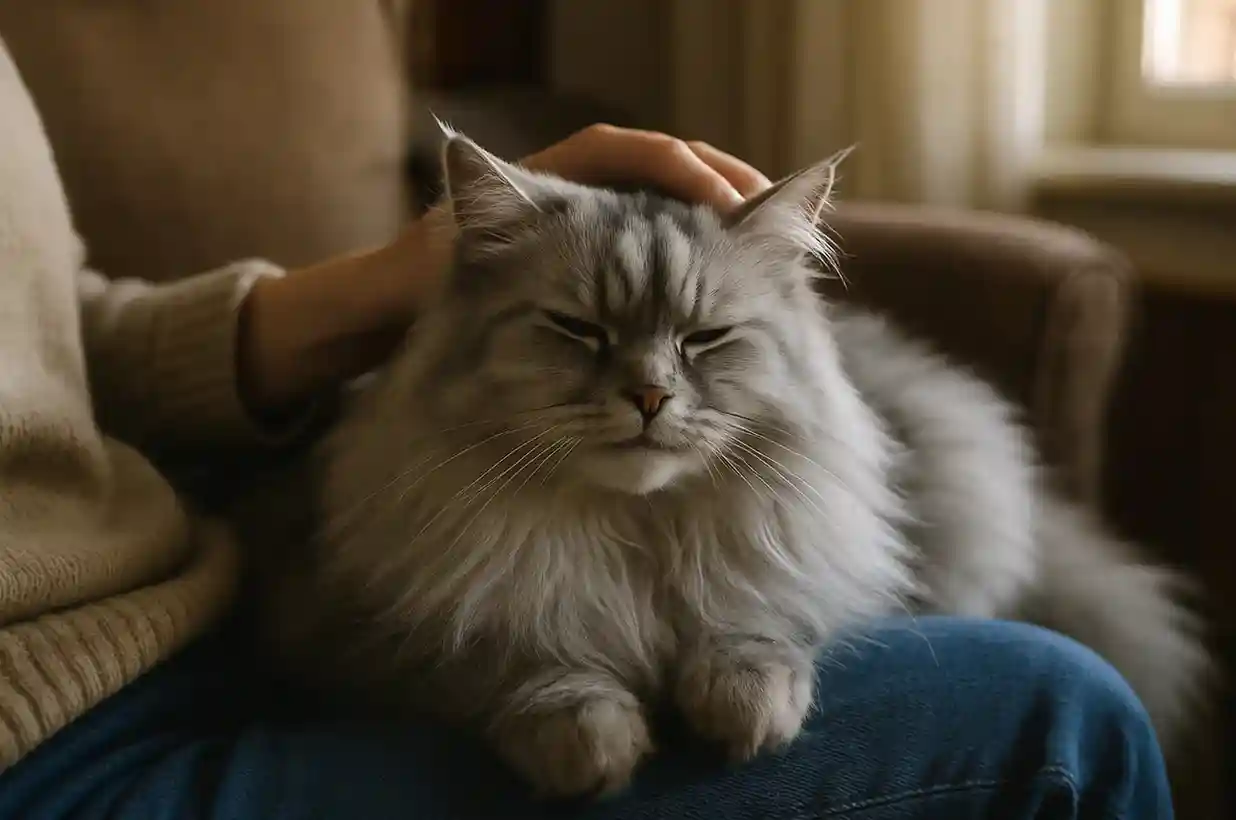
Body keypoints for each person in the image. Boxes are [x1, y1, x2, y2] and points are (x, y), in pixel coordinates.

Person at [0, 33, 1174, 820]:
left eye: (702, 347)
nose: (650, 389)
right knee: (1066, 715)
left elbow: (50, 338)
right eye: (580, 337)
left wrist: (352, 295)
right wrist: (514, 686)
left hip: (162, 624)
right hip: (55, 744)